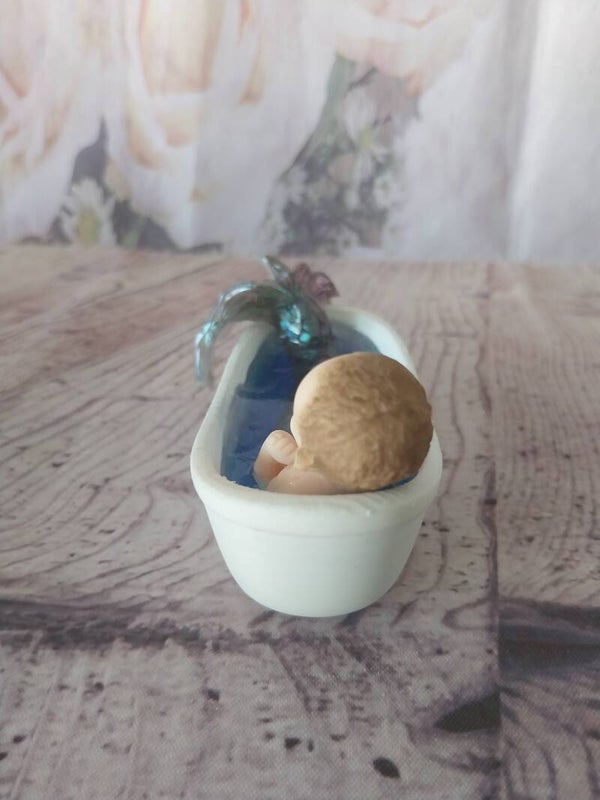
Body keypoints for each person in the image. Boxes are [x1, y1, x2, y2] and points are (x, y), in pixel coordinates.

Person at [253, 352, 433, 494]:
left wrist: (268, 453)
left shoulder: (294, 486)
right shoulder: (373, 481)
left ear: (308, 455)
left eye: (296, 414)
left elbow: (263, 483)